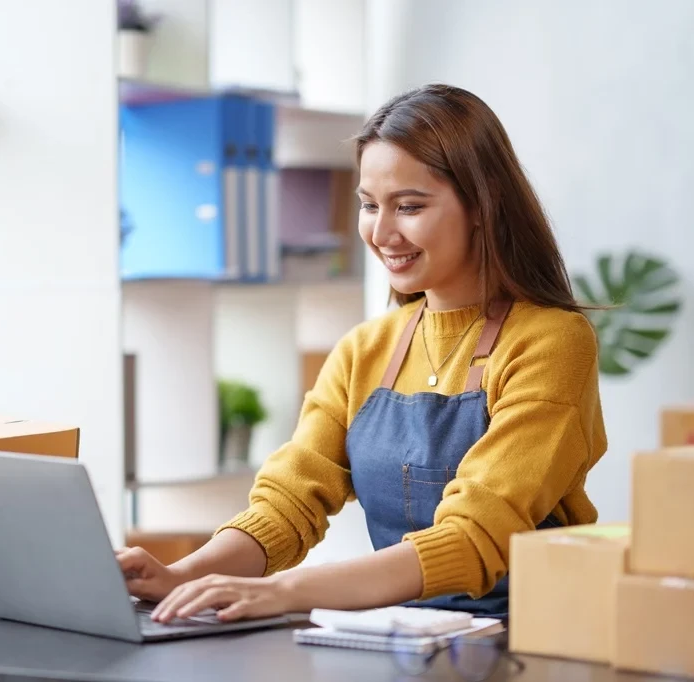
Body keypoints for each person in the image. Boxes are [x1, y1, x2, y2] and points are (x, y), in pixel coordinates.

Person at [117, 83, 607, 624]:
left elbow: (474, 535)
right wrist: (184, 575)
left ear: (480, 205)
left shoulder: (551, 342)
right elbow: (288, 503)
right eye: (370, 205)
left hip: (531, 638)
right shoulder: (364, 350)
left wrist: (287, 591)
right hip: (411, 638)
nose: (382, 231)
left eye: (410, 206)